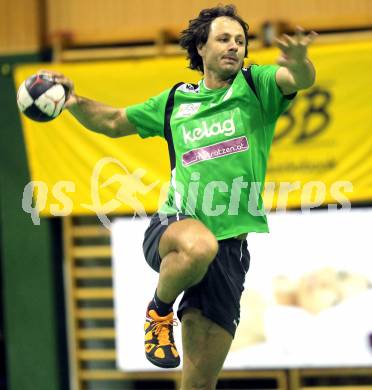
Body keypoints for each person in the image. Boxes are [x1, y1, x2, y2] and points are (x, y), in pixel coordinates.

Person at [45, 5, 317, 389]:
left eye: (240, 41)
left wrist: (301, 61)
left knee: (200, 384)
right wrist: (74, 102)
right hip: (174, 227)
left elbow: (299, 79)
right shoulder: (175, 102)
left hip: (230, 253)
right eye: (223, 39)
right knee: (199, 245)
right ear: (201, 48)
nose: (234, 47)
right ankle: (159, 311)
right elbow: (112, 121)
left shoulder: (257, 86)